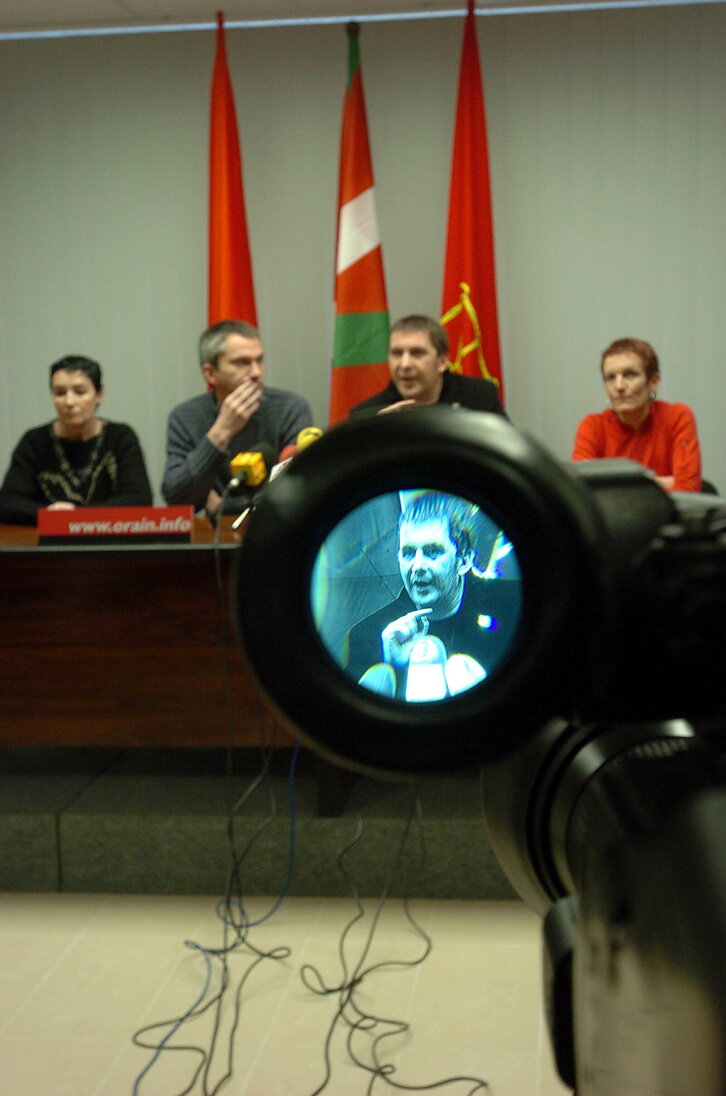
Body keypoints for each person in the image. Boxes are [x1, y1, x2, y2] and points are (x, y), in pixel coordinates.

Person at [344, 492, 520, 700]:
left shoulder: (515, 606)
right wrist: (394, 669)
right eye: (408, 553)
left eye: (432, 551)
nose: (417, 565)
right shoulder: (370, 636)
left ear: (464, 560)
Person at [162, 319, 313, 515]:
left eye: (259, 360)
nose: (256, 372)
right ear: (210, 373)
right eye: (242, 363)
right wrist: (220, 433)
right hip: (212, 533)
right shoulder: (185, 417)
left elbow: (297, 490)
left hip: (278, 528)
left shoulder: (290, 408)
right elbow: (176, 498)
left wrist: (224, 506)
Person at [0, 355, 152, 526]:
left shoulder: (120, 437)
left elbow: (139, 499)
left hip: (105, 536)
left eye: (80, 392)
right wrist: (49, 515)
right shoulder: (34, 441)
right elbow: (8, 502)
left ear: (99, 395)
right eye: (60, 393)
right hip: (48, 537)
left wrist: (76, 515)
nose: (69, 402)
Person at [571, 337, 702, 492]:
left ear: (653, 382)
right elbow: (581, 492)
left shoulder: (677, 417)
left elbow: (687, 488)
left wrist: (613, 487)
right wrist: (660, 483)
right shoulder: (592, 427)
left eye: (630, 375)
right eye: (611, 378)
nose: (619, 386)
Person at [348, 314, 506, 418]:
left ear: (442, 361)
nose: (405, 364)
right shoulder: (367, 415)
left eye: (417, 353)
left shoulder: (478, 398)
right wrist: (378, 433)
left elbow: (505, 452)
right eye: (397, 353)